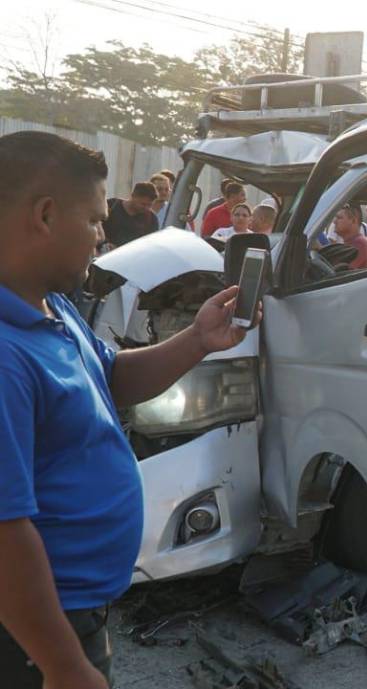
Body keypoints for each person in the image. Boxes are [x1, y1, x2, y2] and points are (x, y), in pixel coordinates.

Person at [0, 131, 259, 689]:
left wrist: (197, 337)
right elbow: (3, 531)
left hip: (74, 617)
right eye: (95, 220)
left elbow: (111, 378)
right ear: (45, 215)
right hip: (32, 639)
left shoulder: (51, 307)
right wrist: (64, 665)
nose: (102, 236)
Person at [101, 182, 158, 249]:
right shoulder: (111, 206)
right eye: (143, 204)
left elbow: (151, 244)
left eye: (150, 205)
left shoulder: (151, 219)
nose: (146, 208)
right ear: (133, 196)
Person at [333, 205, 367, 270]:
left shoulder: (360, 243)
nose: (334, 221)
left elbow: (345, 272)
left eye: (339, 218)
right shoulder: (352, 242)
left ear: (353, 221)